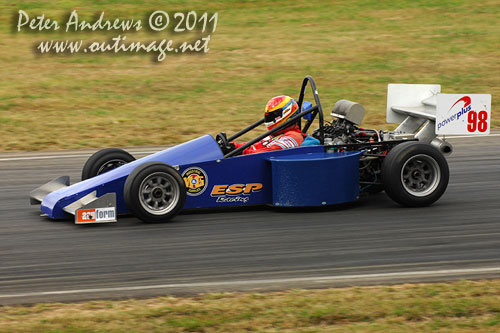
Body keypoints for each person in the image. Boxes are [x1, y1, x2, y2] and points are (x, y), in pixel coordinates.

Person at [230, 96, 306, 155]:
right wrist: (233, 146)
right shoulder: (276, 134)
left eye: (272, 115)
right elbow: (254, 146)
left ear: (286, 114)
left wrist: (240, 153)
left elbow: (267, 153)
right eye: (268, 115)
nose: (268, 118)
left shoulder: (293, 136)